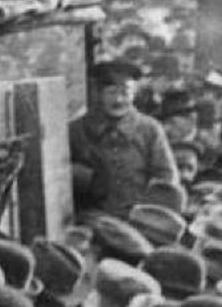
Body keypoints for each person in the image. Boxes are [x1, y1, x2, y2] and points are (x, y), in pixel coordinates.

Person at [70, 60, 179, 217]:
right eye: (112, 92)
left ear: (133, 94)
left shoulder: (150, 129)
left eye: (125, 92)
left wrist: (153, 215)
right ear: (99, 94)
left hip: (141, 221)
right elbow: (60, 172)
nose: (118, 100)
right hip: (93, 219)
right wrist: (88, 179)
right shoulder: (77, 130)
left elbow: (166, 177)